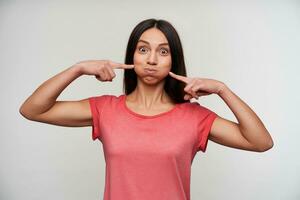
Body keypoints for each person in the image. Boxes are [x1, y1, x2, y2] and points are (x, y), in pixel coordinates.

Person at [19, 18, 274, 200]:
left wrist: (222, 89)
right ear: (132, 56)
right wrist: (78, 69)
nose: (152, 59)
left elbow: (261, 142)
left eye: (163, 51)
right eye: (143, 49)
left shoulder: (194, 117)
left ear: (174, 59)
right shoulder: (106, 109)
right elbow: (32, 110)